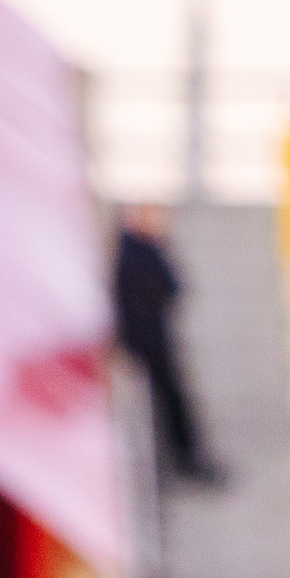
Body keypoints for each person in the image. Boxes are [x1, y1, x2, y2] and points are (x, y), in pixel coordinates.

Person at [111, 206, 223, 484]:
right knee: (165, 403)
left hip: (149, 341)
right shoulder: (136, 252)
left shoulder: (137, 250)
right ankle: (181, 460)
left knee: (169, 402)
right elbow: (166, 288)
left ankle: (182, 458)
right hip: (147, 343)